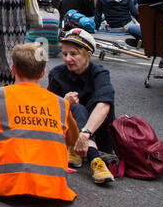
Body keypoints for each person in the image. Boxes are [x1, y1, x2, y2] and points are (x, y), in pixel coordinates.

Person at [0, 41, 81, 202]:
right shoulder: (61, 103)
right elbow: (72, 139)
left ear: (13, 70)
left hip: (6, 185)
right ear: (42, 73)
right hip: (53, 188)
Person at [46, 28, 118, 184]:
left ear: (88, 55)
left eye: (74, 54)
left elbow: (104, 106)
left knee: (91, 104)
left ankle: (85, 151)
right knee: (75, 107)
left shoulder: (100, 73)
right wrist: (64, 104)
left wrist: (85, 134)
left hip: (98, 133)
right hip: (68, 134)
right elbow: (49, 110)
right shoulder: (57, 74)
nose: (67, 59)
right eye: (65, 54)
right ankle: (95, 160)